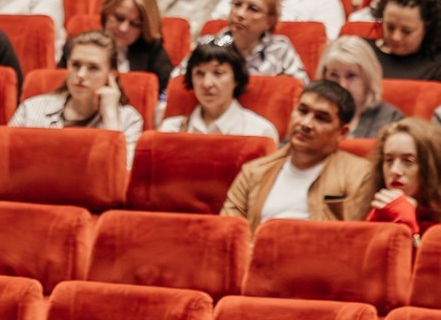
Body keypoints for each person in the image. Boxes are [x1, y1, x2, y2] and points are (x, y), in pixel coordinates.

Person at [215, 79, 368, 228]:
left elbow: (358, 239)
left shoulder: (361, 175)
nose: (306, 123)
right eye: (302, 111)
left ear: (342, 132)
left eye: (321, 118)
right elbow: (228, 233)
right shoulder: (254, 172)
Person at [8, 29, 142, 159]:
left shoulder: (128, 119)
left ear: (111, 75)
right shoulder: (31, 109)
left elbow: (121, 175)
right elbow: (3, 163)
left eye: (93, 68)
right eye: (76, 65)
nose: (81, 75)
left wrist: (110, 115)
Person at [159, 40, 275, 140]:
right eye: (200, 73)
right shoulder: (170, 129)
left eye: (218, 73)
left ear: (236, 79)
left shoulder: (259, 132)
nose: (207, 83)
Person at [221, 0, 306, 78]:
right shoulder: (211, 47)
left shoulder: (280, 50)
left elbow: (299, 89)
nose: (240, 14)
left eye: (253, 9)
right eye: (237, 4)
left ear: (269, 21)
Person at [98, 0, 174, 90]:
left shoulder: (153, 51)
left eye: (135, 24)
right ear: (106, 12)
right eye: (119, 18)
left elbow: (167, 92)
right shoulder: (79, 46)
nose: (123, 28)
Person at [319, 36, 402, 141]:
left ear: (368, 78)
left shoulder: (390, 118)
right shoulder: (312, 114)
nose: (342, 85)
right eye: (334, 75)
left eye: (351, 76)